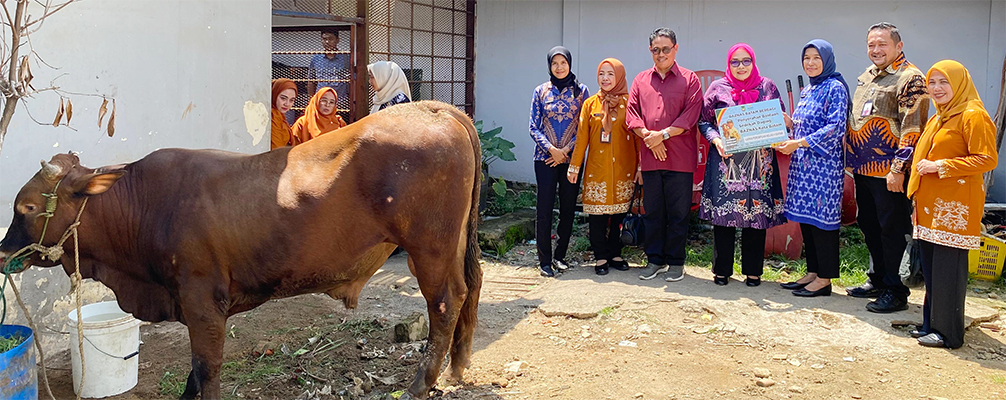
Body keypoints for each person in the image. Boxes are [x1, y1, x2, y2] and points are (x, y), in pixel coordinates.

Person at [908, 60, 998, 348]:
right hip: (931, 207)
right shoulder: (940, 117)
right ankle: (930, 325)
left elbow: (987, 159)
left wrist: (941, 166)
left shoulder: (973, 115)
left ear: (959, 83)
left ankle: (949, 334)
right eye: (932, 83)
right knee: (933, 270)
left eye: (943, 82)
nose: (936, 89)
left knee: (949, 271)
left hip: (956, 207)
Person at [844, 23, 929, 313]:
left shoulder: (910, 78)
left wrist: (899, 168)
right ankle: (878, 278)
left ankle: (896, 290)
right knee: (869, 225)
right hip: (863, 169)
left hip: (890, 173)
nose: (876, 50)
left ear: (898, 46)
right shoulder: (868, 76)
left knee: (892, 229)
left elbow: (912, 127)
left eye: (882, 44)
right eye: (871, 45)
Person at [698, 43, 790, 287]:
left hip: (759, 164)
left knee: (755, 214)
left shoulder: (767, 86)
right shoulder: (718, 88)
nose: (740, 66)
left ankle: (753, 271)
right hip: (726, 162)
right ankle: (722, 270)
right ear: (728, 64)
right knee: (724, 215)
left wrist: (779, 128)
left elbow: (778, 117)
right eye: (735, 62)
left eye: (745, 61)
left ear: (753, 62)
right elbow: (704, 122)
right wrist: (716, 139)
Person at [626, 28, 702, 282]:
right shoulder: (640, 80)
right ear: (650, 51)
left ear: (675, 49)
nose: (661, 54)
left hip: (679, 159)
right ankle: (655, 259)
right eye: (656, 50)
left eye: (665, 49)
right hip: (650, 158)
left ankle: (676, 262)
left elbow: (690, 116)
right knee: (653, 211)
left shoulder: (689, 80)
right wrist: (650, 136)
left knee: (679, 213)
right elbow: (632, 115)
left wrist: (663, 136)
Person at [776, 39, 850, 297]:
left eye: (816, 58)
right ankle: (813, 271)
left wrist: (799, 142)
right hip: (803, 167)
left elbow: (835, 127)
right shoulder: (809, 90)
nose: (810, 63)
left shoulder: (835, 88)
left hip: (823, 168)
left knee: (823, 223)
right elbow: (804, 124)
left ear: (827, 60)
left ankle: (825, 278)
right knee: (807, 221)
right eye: (806, 58)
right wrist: (787, 122)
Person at [567, 58, 638, 276]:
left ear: (619, 77)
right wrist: (574, 166)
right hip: (597, 169)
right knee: (597, 216)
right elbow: (582, 138)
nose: (605, 78)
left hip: (624, 168)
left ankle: (615, 253)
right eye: (601, 74)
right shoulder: (590, 104)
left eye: (610, 74)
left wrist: (641, 167)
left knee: (619, 214)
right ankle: (600, 256)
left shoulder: (630, 103)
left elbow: (637, 136)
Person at [529, 46, 589, 277]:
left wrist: (565, 151)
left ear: (570, 64)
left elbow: (584, 126)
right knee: (544, 209)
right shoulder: (540, 91)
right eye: (555, 63)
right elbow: (533, 126)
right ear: (549, 66)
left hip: (571, 159)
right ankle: (544, 260)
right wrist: (552, 150)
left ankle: (560, 256)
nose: (559, 67)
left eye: (563, 62)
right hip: (544, 159)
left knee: (567, 208)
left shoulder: (581, 91)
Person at [307, 28, 350, 104]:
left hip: (341, 102)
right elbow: (311, 81)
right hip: (321, 102)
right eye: (324, 39)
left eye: (330, 39)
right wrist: (311, 101)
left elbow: (353, 81)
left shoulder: (346, 58)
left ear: (337, 40)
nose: (327, 42)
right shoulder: (316, 58)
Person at [270, 78, 298, 150]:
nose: (287, 104)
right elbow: (276, 150)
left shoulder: (280, 116)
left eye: (292, 100)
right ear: (274, 94)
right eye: (283, 98)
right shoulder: (273, 115)